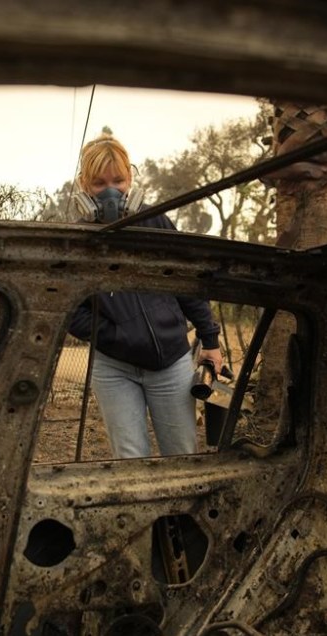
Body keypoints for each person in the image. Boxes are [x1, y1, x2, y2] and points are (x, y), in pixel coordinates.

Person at [68, 134, 224, 459]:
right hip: (113, 369)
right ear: (84, 184)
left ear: (131, 179)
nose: (111, 190)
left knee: (181, 456)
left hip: (172, 363)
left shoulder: (158, 222)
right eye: (99, 183)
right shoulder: (77, 239)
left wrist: (210, 340)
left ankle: (178, 513)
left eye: (118, 180)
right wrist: (114, 335)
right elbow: (70, 308)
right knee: (130, 458)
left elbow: (187, 282)